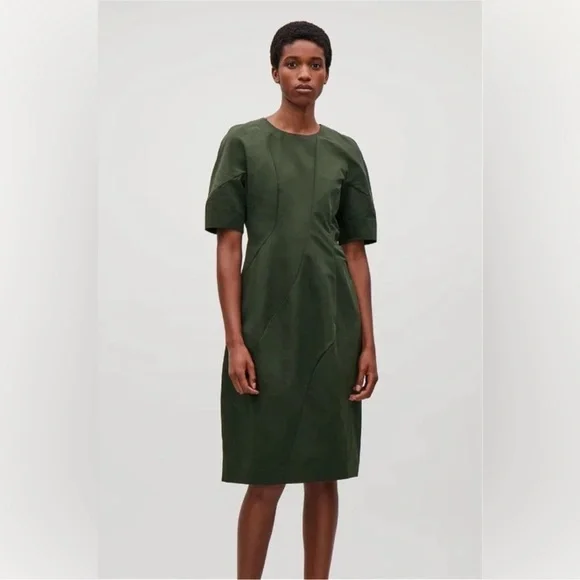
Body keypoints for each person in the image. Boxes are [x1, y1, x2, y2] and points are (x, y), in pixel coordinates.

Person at [204, 20, 379, 580]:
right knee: (266, 474)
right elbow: (228, 245)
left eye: (315, 64)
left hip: (332, 328)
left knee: (325, 473)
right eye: (292, 63)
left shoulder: (344, 152)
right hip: (265, 328)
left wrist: (368, 343)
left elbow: (355, 252)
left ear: (328, 74)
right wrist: (236, 340)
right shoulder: (243, 142)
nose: (304, 74)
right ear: (274, 71)